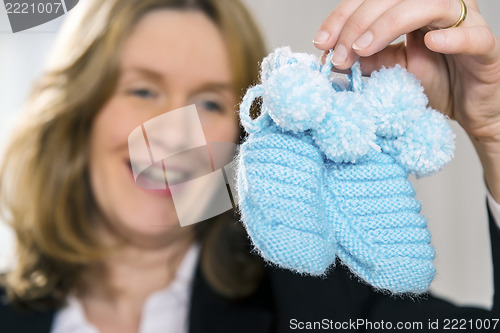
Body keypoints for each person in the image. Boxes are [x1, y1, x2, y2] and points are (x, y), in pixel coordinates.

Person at [0, 0, 499, 332]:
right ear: (76, 113)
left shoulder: (323, 299)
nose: (174, 131)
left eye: (210, 103)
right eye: (143, 90)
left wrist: (494, 131)